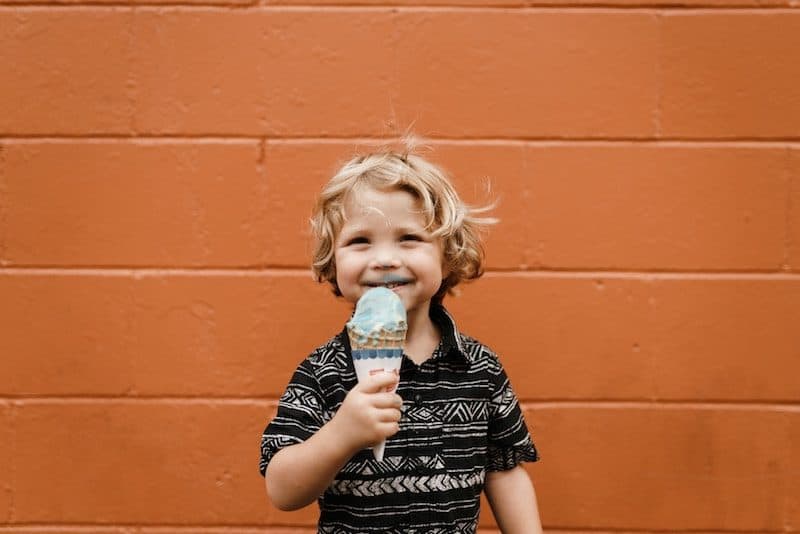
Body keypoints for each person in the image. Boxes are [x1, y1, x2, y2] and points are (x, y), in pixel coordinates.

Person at [260, 144, 542, 533]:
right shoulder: (323, 371)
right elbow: (281, 490)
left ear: (447, 257)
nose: (385, 258)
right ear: (332, 261)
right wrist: (340, 435)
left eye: (409, 237)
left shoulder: (480, 368)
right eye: (360, 241)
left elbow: (504, 472)